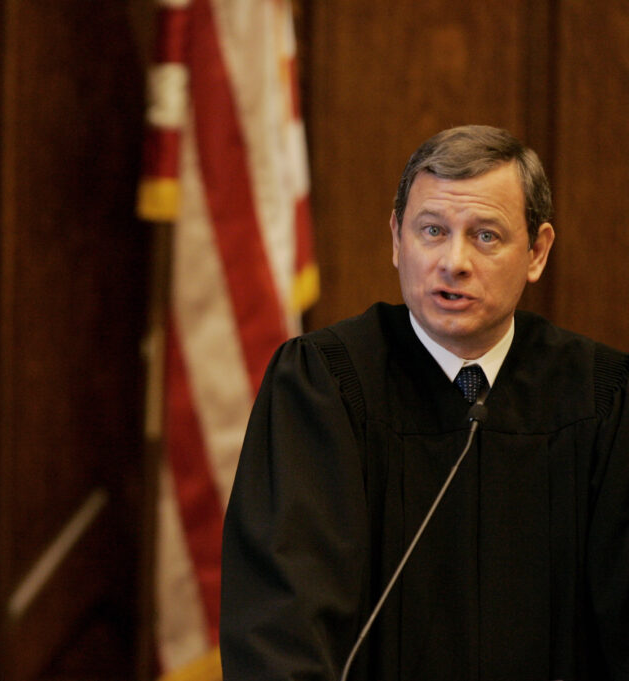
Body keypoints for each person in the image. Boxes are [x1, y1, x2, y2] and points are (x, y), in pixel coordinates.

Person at [220, 125, 629, 680]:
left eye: (485, 236)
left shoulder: (601, 398)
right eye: (432, 230)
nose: (453, 261)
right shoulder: (325, 386)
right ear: (396, 239)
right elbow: (279, 629)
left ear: (537, 251)